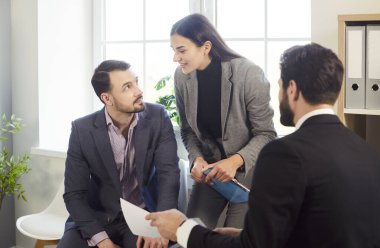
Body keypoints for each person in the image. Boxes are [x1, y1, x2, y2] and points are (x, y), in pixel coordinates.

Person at [146, 43, 380, 248]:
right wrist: (240, 235)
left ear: (292, 89)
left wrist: (182, 230)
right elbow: (319, 230)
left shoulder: (284, 153)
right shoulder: (366, 152)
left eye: (279, 87)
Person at [58, 60, 180, 248]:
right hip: (97, 216)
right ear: (107, 98)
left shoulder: (157, 117)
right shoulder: (82, 130)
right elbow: (74, 195)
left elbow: (168, 174)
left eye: (136, 82)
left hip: (143, 215)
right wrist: (103, 241)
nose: (139, 91)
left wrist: (162, 226)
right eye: (127, 87)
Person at [171, 13, 276, 229]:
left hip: (250, 173)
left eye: (181, 50)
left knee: (234, 239)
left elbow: (266, 133)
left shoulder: (248, 73)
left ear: (206, 47)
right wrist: (196, 159)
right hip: (211, 171)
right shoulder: (182, 77)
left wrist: (235, 160)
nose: (176, 57)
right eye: (173, 50)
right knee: (190, 236)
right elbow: (188, 130)